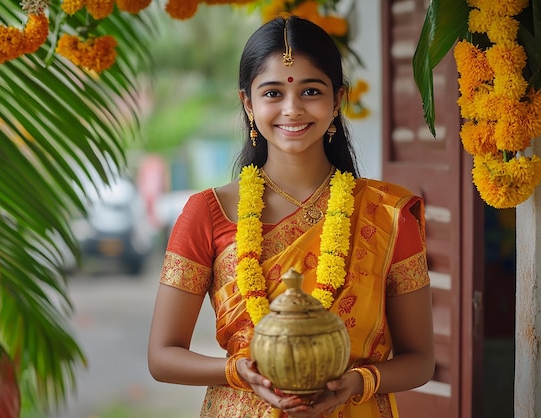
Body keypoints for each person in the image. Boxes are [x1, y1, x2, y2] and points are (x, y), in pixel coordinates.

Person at [148, 15, 435, 418]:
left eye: (311, 91)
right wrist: (237, 372)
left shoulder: (387, 215)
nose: (292, 109)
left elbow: (420, 359)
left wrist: (357, 381)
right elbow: (162, 356)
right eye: (272, 93)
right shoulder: (207, 213)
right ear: (248, 103)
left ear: (337, 100)